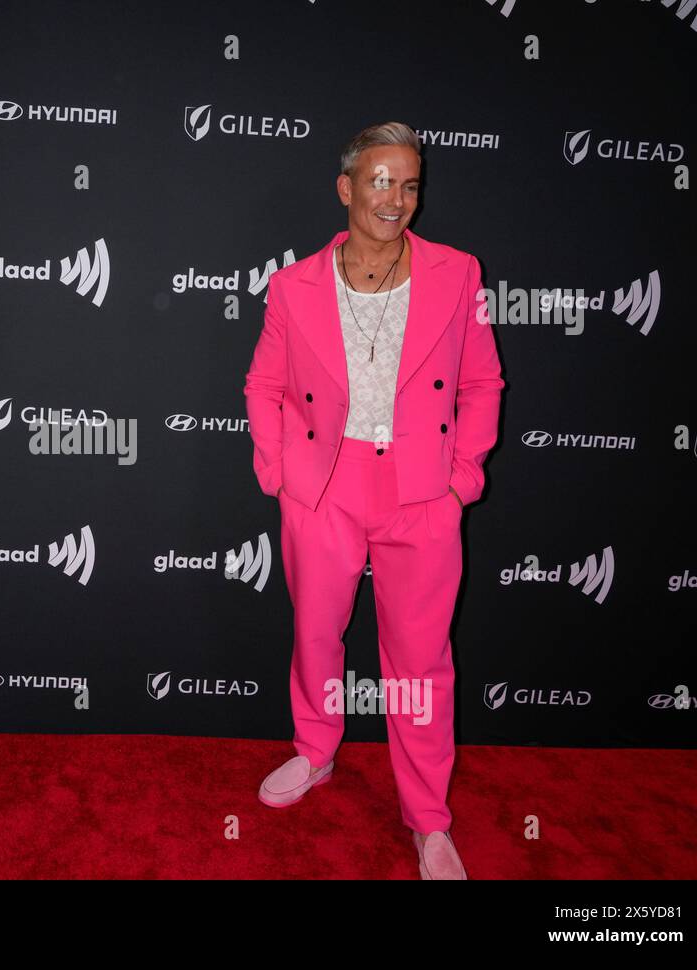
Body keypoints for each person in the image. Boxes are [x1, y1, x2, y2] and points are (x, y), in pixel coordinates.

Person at [243, 122, 503, 879]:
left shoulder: (458, 274)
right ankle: (315, 751)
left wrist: (463, 478)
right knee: (318, 634)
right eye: (382, 181)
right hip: (323, 484)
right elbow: (263, 384)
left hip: (423, 489)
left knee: (420, 662)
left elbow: (484, 381)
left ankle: (428, 819)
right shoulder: (293, 284)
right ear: (347, 188)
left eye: (410, 184)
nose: (397, 199)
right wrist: (281, 474)